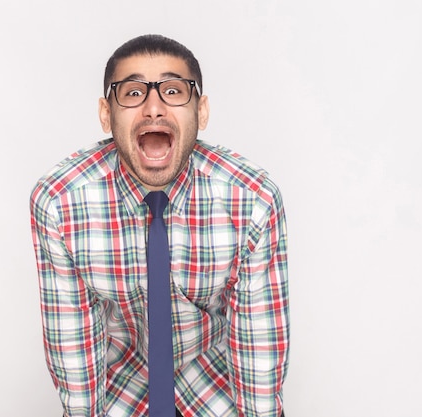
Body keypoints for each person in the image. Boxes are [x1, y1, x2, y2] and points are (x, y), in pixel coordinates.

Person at [30, 34, 289, 417]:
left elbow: (259, 351)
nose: (153, 108)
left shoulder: (252, 200)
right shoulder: (60, 204)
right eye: (133, 93)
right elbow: (74, 350)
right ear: (106, 114)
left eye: (172, 90)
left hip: (212, 378)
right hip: (120, 380)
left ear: (200, 112)